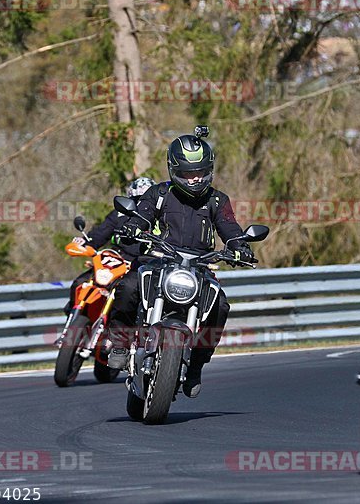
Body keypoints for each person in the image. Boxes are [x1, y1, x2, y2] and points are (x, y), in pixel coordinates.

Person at [106, 128, 256, 398]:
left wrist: (240, 247)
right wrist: (132, 226)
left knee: (220, 306)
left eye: (199, 171)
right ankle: (118, 344)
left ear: (209, 169)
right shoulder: (158, 193)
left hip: (199, 267)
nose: (195, 178)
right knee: (127, 287)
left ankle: (197, 364)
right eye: (188, 173)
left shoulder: (217, 200)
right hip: (160, 260)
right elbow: (142, 216)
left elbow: (230, 229)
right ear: (174, 169)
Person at [63, 177, 156, 316]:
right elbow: (99, 234)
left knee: (127, 292)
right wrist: (85, 243)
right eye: (136, 200)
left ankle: (119, 329)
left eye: (144, 201)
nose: (140, 205)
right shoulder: (118, 214)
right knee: (80, 283)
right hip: (110, 262)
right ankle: (73, 317)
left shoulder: (157, 220)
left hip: (135, 266)